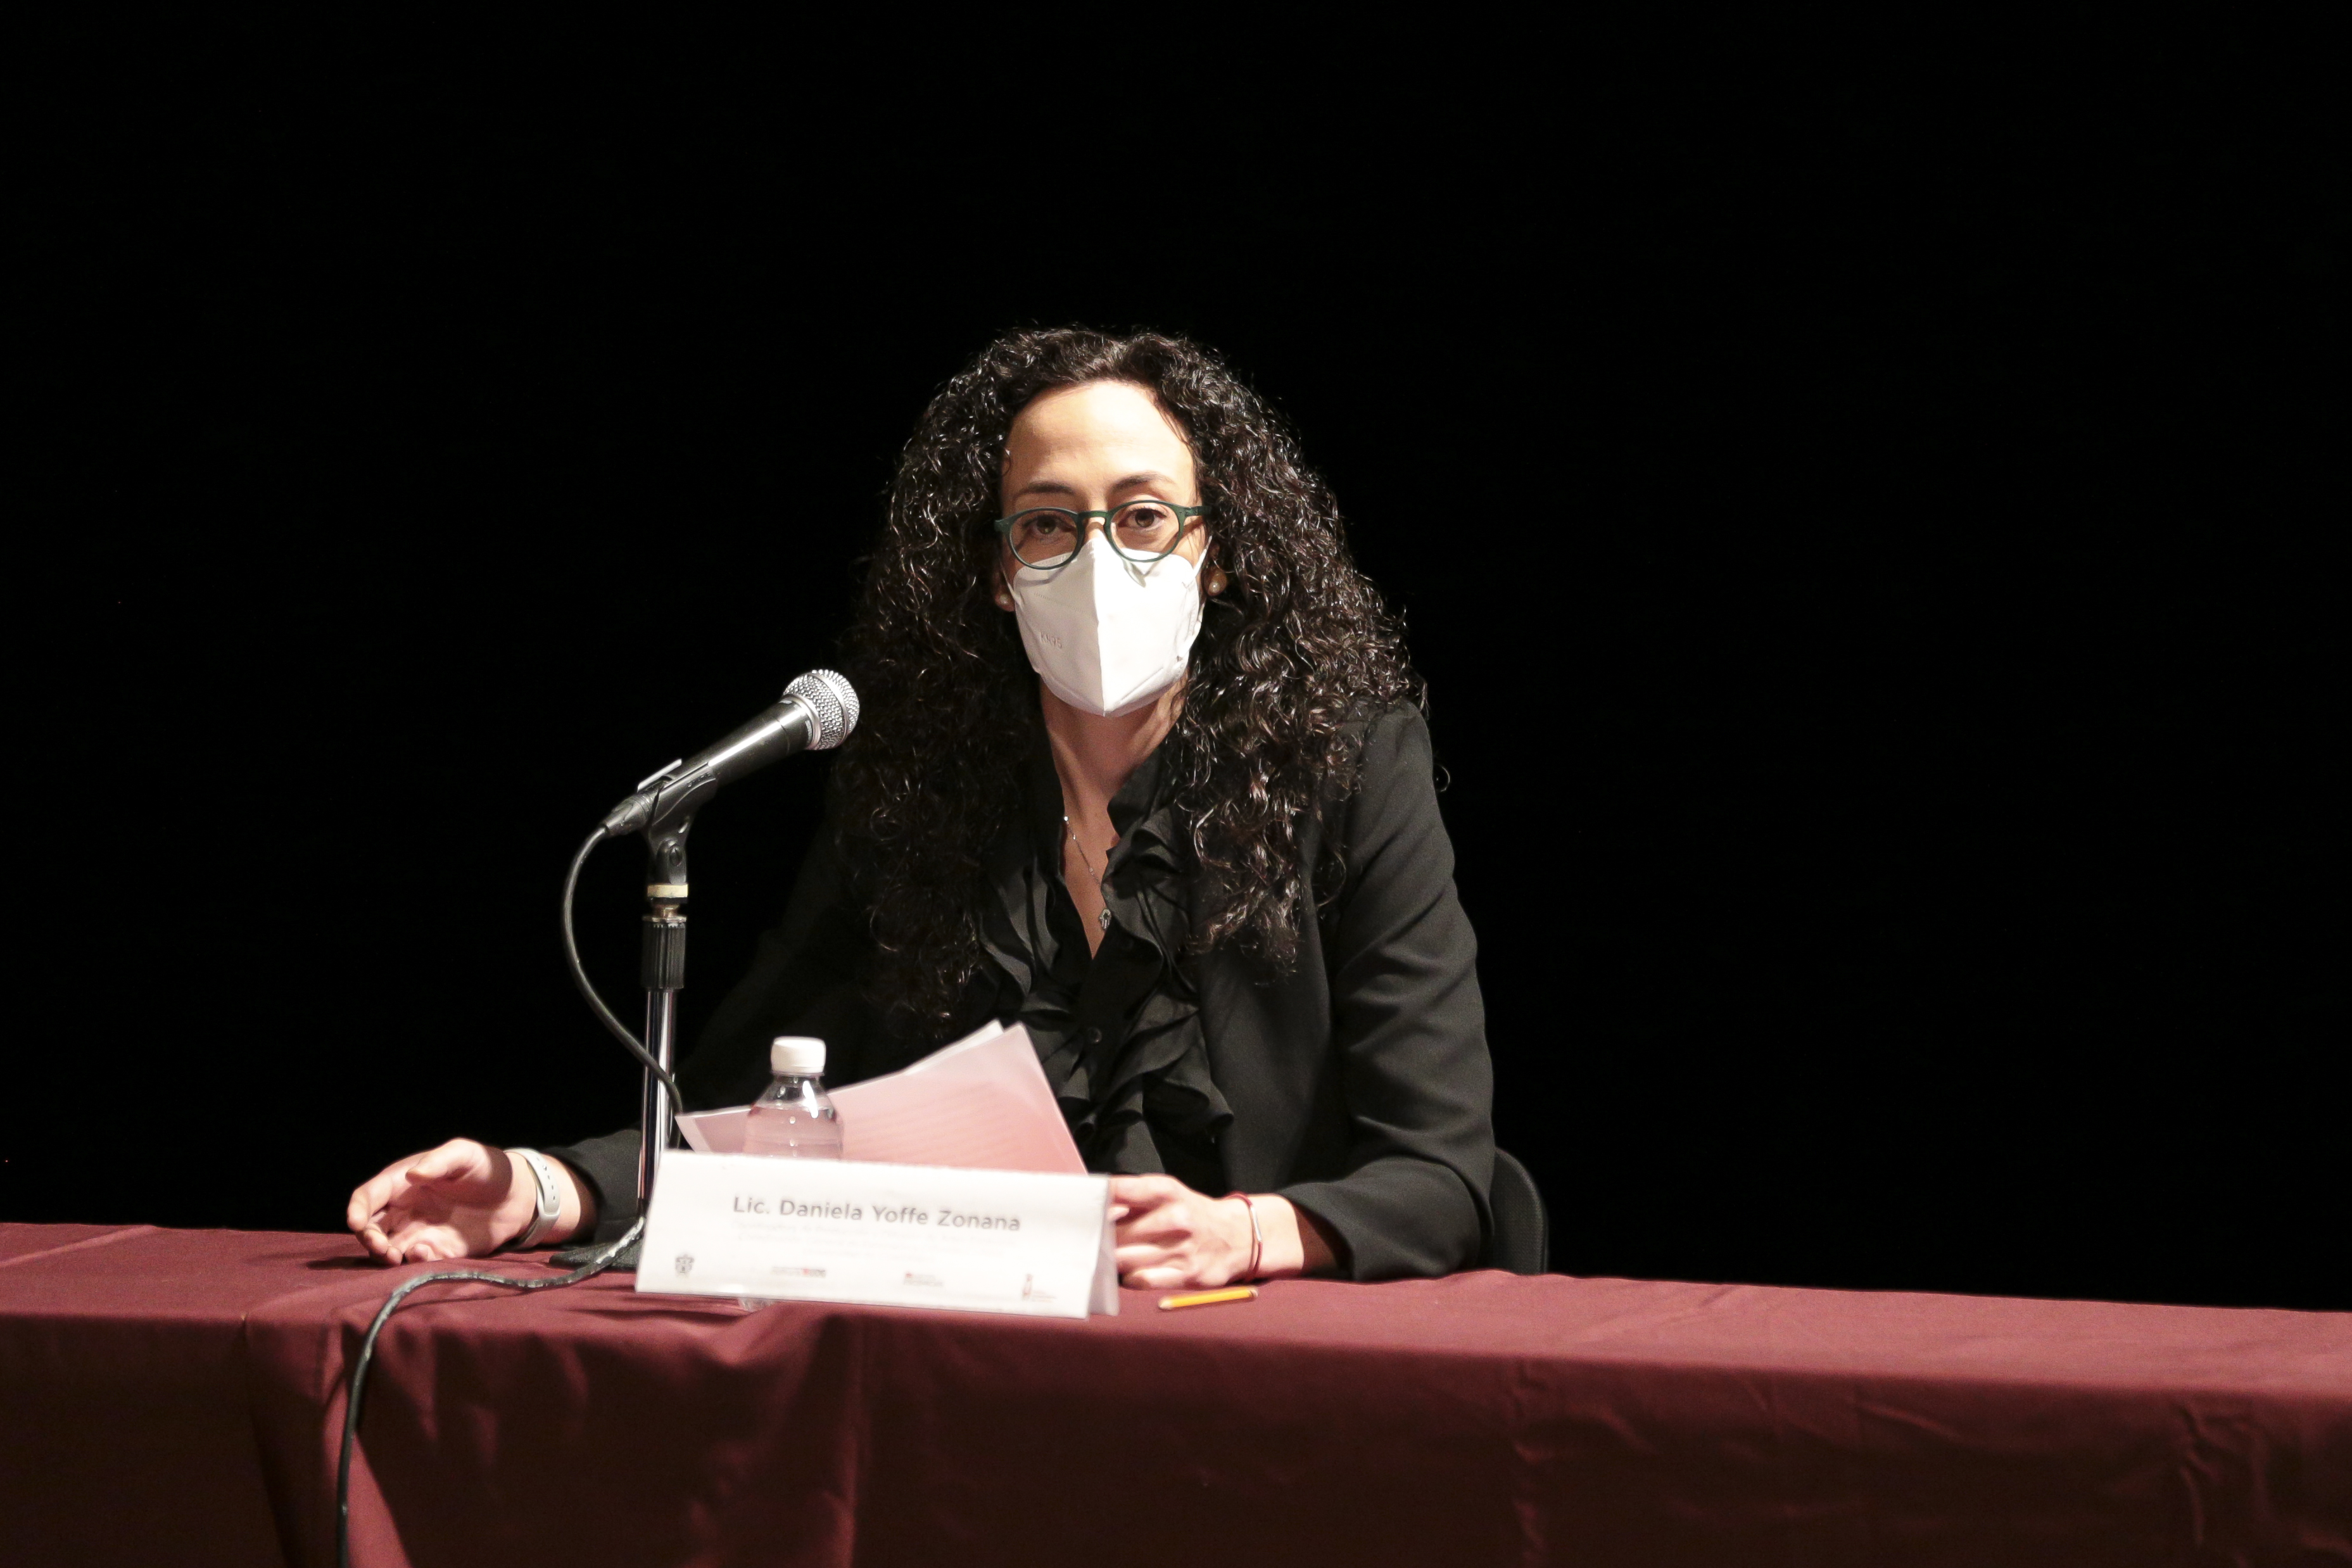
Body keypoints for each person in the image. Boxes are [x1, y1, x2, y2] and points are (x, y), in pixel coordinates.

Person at [347, 328, 1495, 1287]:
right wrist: (540, 1188)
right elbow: (760, 1106)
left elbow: (1443, 1176)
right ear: (997, 570)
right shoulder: (921, 789)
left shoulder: (1349, 767)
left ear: (1217, 551)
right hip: (981, 1349)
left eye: (1143, 515)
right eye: (1046, 521)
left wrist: (1244, 1232)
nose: (1096, 556)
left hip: (1261, 1358)